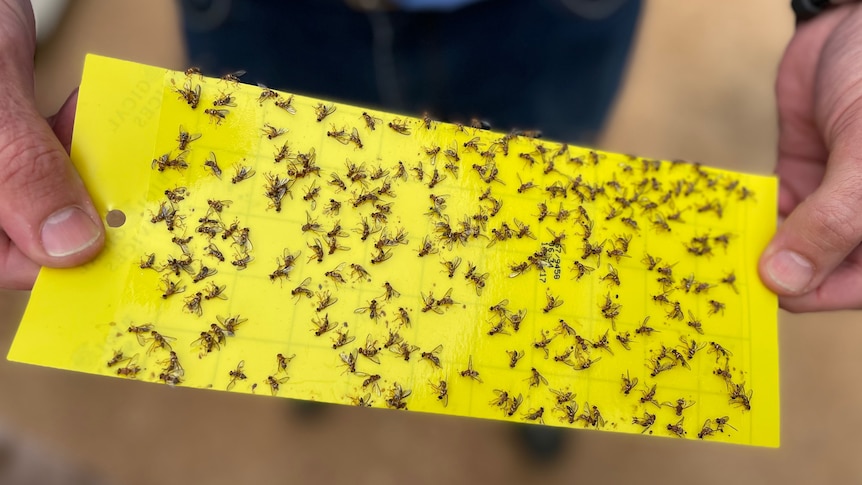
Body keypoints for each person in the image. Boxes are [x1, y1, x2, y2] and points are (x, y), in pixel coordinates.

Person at [0, 4, 860, 297]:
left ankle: (536, 351)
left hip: (548, 17)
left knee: (536, 208)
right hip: (266, 13)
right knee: (291, 218)